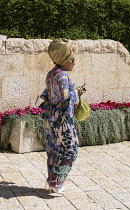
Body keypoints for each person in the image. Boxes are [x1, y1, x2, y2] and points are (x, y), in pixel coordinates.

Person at [39, 38, 85, 194]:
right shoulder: (62, 75)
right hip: (62, 120)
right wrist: (77, 92)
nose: (74, 62)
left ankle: (52, 182)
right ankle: (56, 182)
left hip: (50, 118)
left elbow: (51, 96)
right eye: (72, 59)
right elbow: (65, 99)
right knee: (70, 150)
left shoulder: (51, 74)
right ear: (64, 60)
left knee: (54, 151)